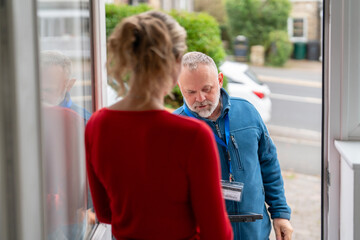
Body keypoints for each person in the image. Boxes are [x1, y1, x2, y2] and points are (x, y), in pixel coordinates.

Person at [85, 11, 233, 240]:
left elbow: (105, 213)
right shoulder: (192, 136)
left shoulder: (97, 124)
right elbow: (217, 233)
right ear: (175, 64)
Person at [173, 52, 293, 240]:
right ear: (180, 87)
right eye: (191, 92)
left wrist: (280, 214)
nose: (201, 98)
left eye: (207, 88)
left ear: (220, 80)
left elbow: (268, 164)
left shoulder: (248, 111)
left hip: (255, 232)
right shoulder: (174, 129)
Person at [40, 50, 91, 123]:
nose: (41, 96)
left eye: (48, 90)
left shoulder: (81, 121)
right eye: (36, 90)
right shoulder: (21, 115)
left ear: (69, 85)